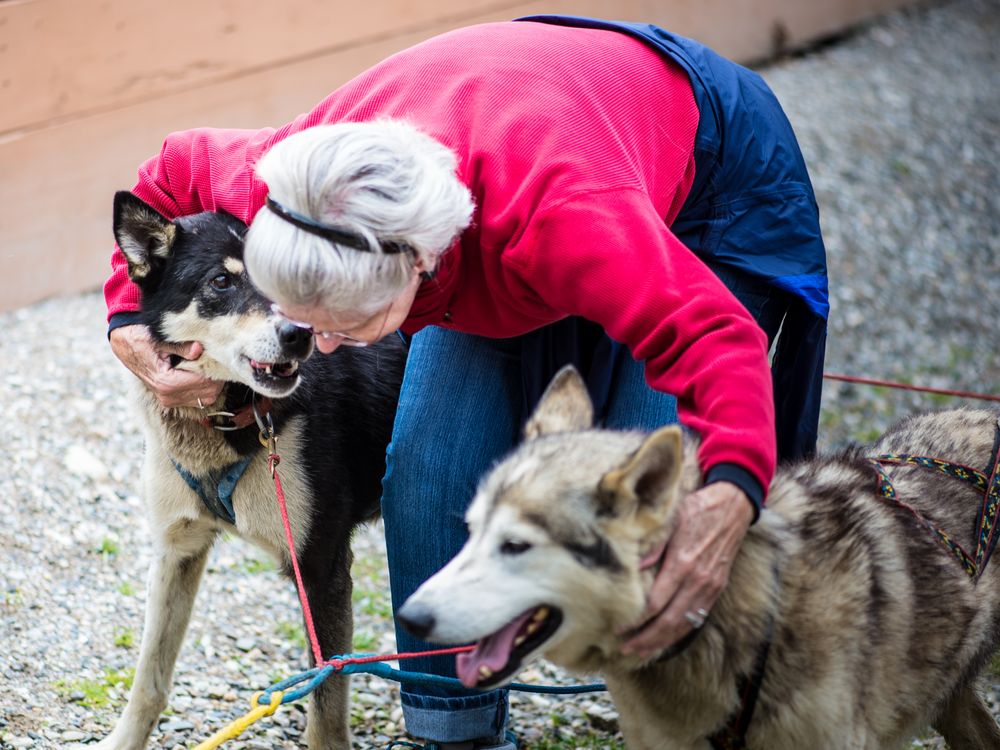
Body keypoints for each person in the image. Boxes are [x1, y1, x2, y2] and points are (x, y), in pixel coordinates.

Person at [105, 16, 828, 749]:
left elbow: (712, 338)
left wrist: (734, 494)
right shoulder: (290, 181)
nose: (317, 347)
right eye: (302, 318)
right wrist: (126, 320)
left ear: (415, 267)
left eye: (339, 327)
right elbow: (169, 172)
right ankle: (453, 732)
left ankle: (696, 716)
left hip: (702, 174)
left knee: (651, 479)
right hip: (501, 138)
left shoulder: (564, 217)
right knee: (429, 465)